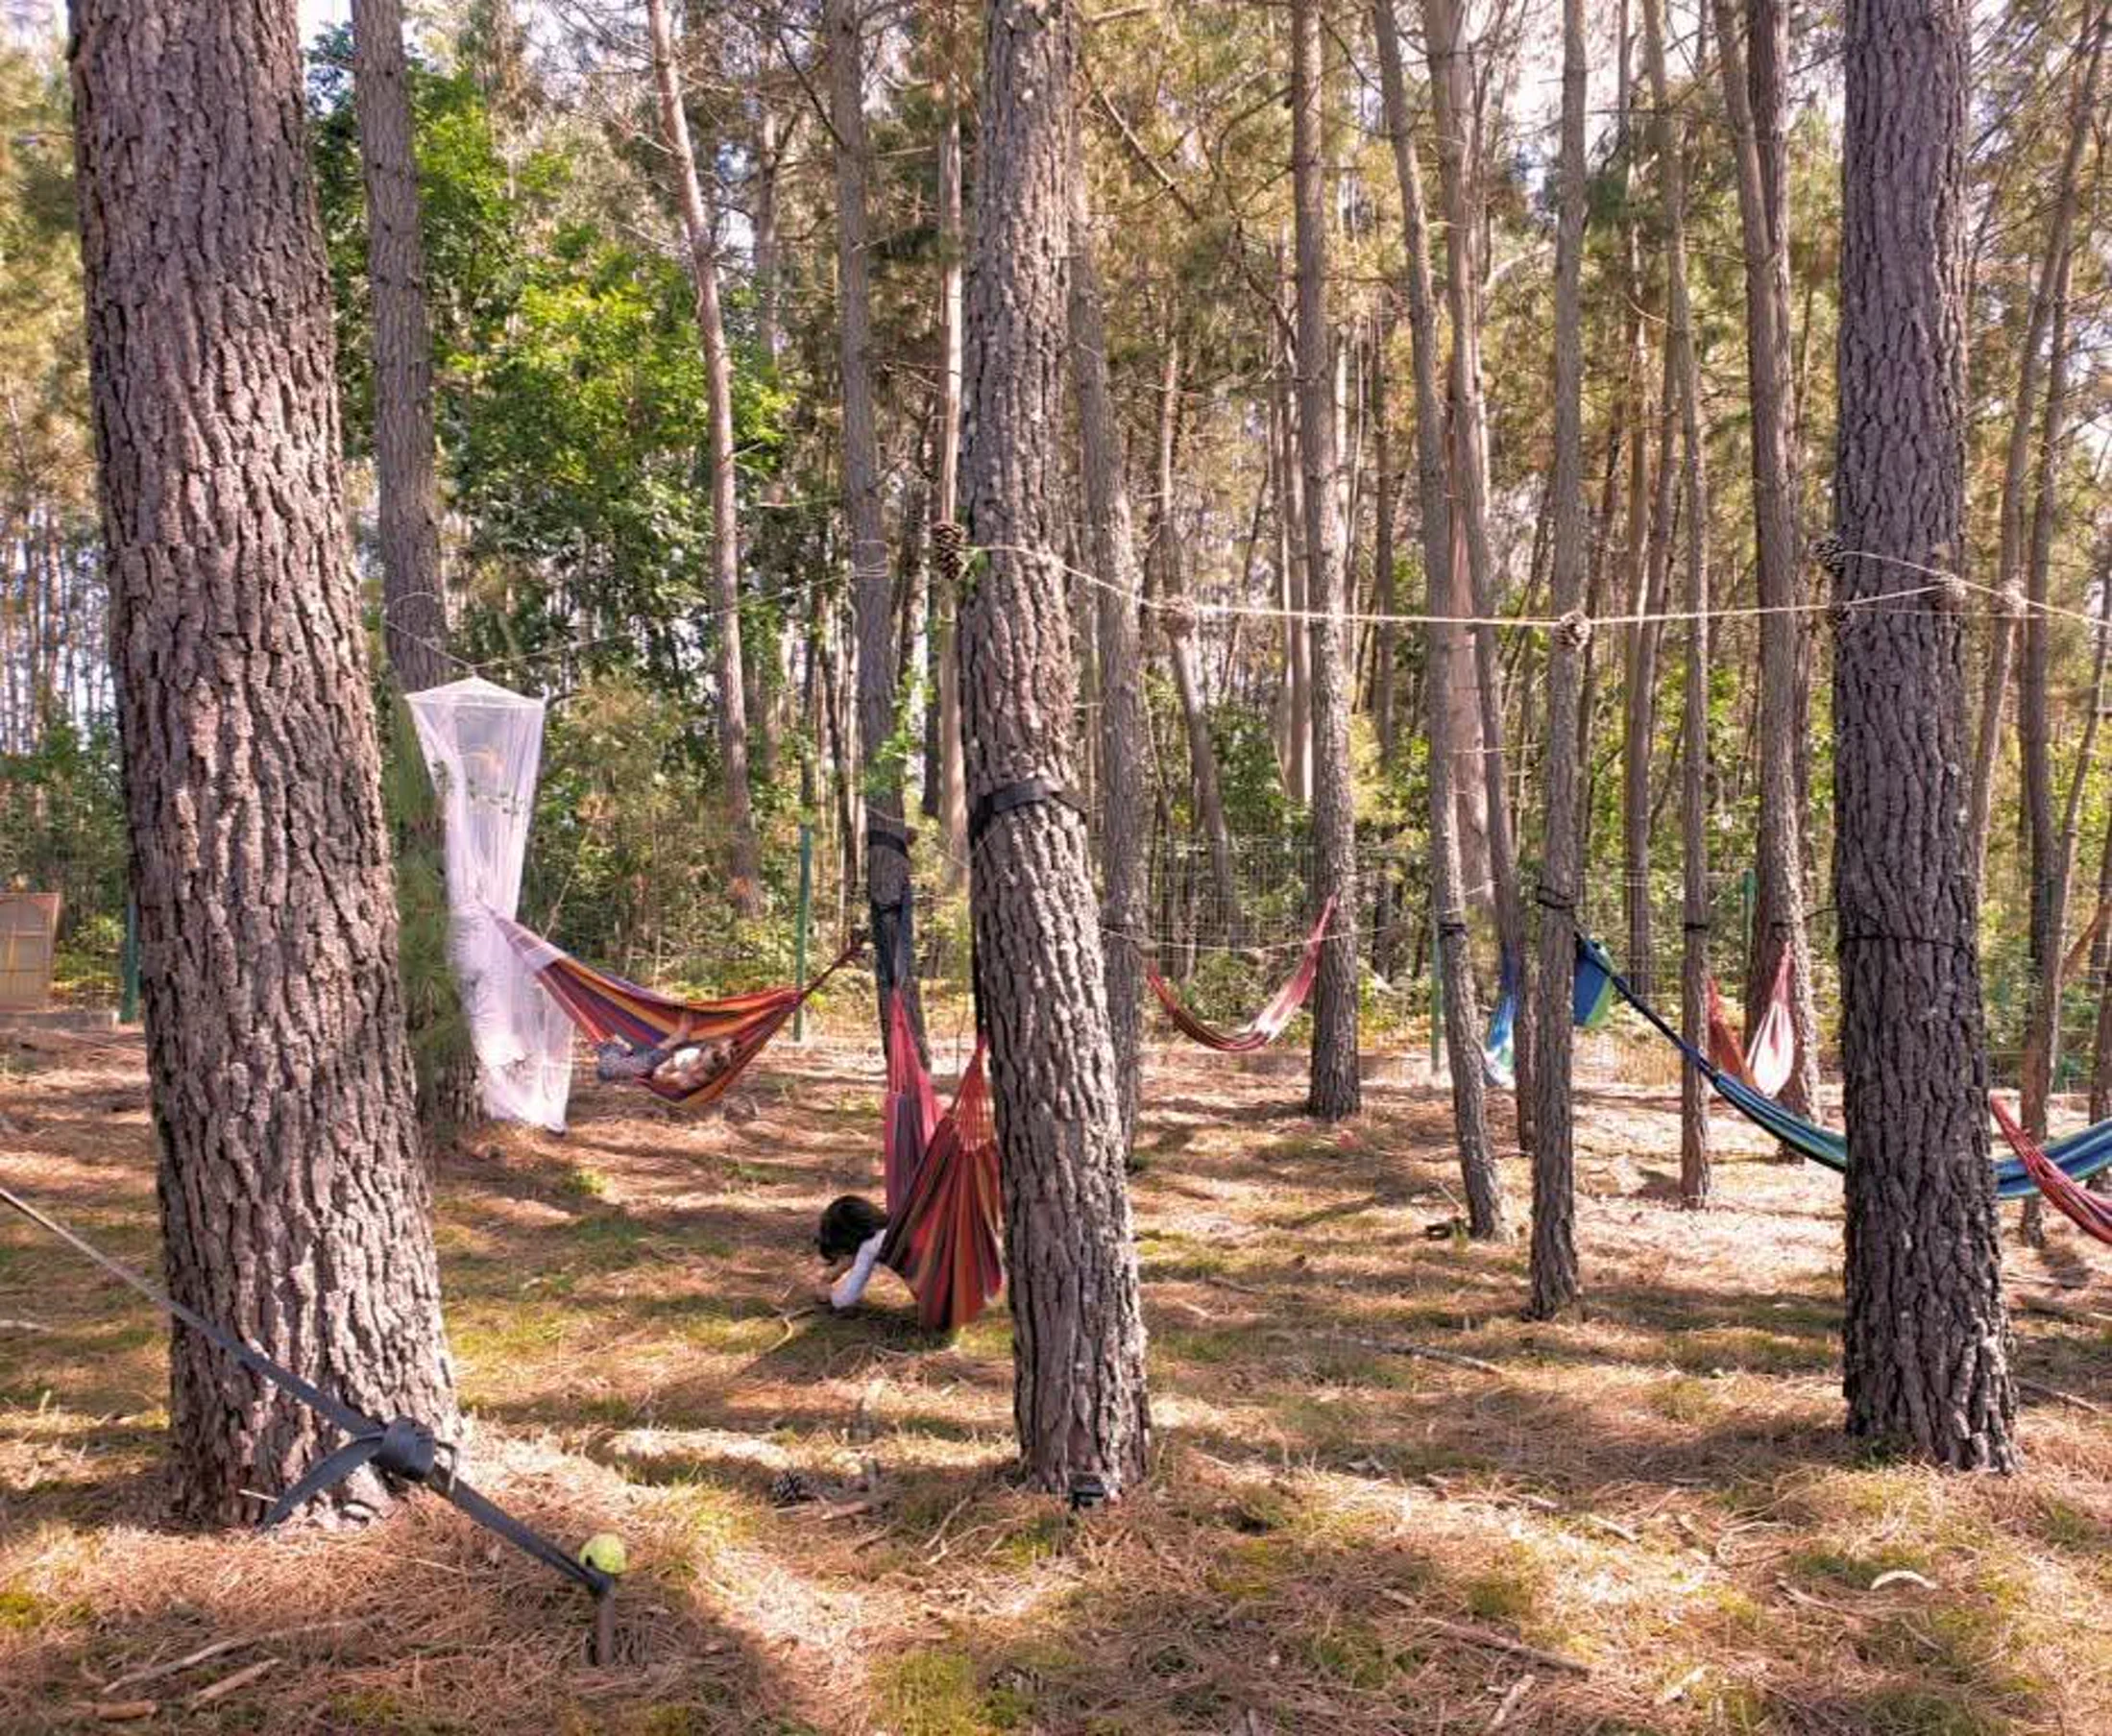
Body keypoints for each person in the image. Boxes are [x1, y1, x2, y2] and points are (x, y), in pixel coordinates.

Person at [595, 1011, 737, 1094]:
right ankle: (677, 1038)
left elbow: (659, 1077)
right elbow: (724, 1041)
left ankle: (614, 1046)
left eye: (701, 1067)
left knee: (607, 1071)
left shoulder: (697, 1079)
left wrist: (668, 1072)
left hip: (647, 1061)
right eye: (699, 1059)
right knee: (609, 1069)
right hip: (650, 1046)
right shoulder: (709, 1048)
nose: (695, 1067)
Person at [816, 1194, 890, 1311]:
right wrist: (838, 1269)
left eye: (841, 1253)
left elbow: (844, 1299)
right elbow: (852, 1257)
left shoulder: (870, 1246)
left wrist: (828, 1294)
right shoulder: (889, 1230)